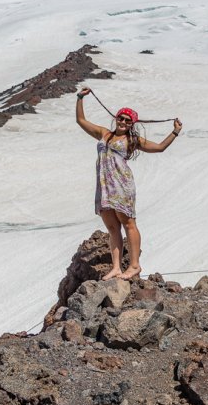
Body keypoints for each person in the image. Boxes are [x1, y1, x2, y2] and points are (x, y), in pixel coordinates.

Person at [76, 87, 182, 280]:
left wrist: (175, 132)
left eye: (128, 120)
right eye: (121, 118)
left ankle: (134, 265)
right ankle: (116, 267)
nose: (123, 122)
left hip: (121, 185)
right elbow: (81, 121)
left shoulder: (133, 140)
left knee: (128, 223)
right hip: (105, 186)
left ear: (132, 124)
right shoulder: (104, 133)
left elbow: (159, 148)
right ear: (116, 118)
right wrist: (80, 98)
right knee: (112, 227)